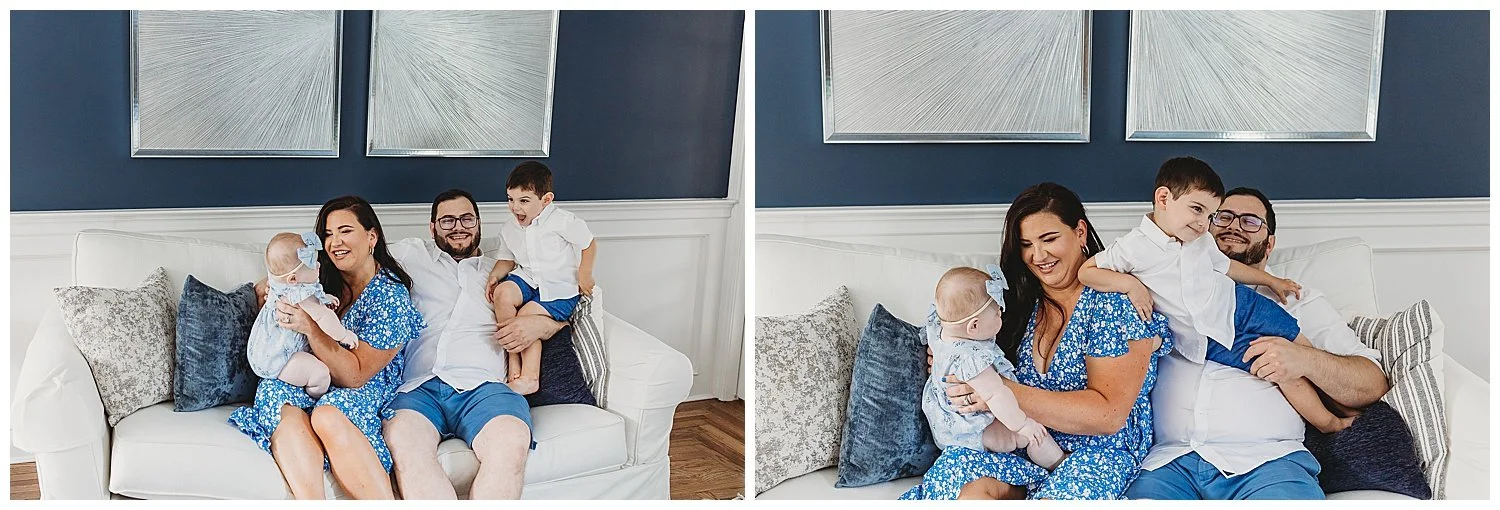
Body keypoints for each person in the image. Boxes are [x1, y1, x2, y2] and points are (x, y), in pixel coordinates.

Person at [906, 182, 1174, 500]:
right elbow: (958, 337)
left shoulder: (1114, 302)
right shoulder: (1016, 304)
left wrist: (998, 391)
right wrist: (954, 366)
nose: (1038, 255)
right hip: (1022, 440)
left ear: (1080, 233)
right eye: (1027, 244)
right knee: (967, 493)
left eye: (1049, 239)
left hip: (1096, 452)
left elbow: (1108, 415)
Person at [1123, 186, 1390, 500]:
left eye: (1250, 221)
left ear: (1270, 243)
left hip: (1267, 463)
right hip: (1167, 464)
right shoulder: (1160, 290)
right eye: (1222, 217)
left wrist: (1302, 358)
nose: (1234, 226)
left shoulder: (1298, 302)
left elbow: (1371, 385)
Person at [1077, 157, 1354, 434]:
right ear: (1163, 198)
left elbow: (1229, 267)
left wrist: (1272, 281)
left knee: (1300, 347)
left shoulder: (1201, 240)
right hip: (1206, 337)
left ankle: (1339, 400)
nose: (1202, 223)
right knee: (1276, 369)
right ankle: (1328, 423)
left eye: (1209, 216)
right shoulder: (1132, 247)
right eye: (1197, 209)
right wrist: (1130, 285)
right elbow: (1086, 272)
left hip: (1240, 305)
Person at [231, 196, 426, 499]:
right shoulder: (324, 279)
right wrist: (269, 285)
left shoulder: (390, 296)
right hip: (316, 376)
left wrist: (310, 327)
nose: (335, 242)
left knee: (328, 413)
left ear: (371, 236)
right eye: (328, 234)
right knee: (274, 392)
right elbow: (287, 274)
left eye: (345, 231)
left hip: (363, 385)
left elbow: (356, 376)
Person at [381, 188, 568, 499]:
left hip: (485, 388)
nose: (459, 227)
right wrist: (278, 281)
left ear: (479, 224)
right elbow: (349, 256)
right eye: (447, 220)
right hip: (418, 387)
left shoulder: (507, 272)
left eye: (467, 218)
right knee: (404, 445)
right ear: (432, 228)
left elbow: (562, 307)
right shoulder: (409, 256)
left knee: (511, 443)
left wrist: (538, 324)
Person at [921, 265, 1066, 472]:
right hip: (975, 429)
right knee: (1032, 436)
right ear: (974, 326)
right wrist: (1023, 424)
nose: (1002, 317)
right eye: (998, 314)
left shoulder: (939, 329)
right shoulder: (973, 359)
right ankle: (1058, 464)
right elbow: (996, 395)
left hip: (947, 426)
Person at [484, 161, 598, 395]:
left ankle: (529, 377)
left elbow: (589, 243)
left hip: (559, 289)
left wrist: (584, 273)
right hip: (528, 279)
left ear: (546, 200)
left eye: (524, 201)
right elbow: (506, 259)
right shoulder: (509, 227)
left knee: (526, 317)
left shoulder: (562, 221)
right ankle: (512, 363)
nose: (515, 207)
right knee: (502, 293)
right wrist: (495, 276)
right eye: (510, 199)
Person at [247, 232, 359, 400]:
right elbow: (324, 317)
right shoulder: (300, 294)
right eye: (313, 263)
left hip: (263, 350)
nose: (319, 265)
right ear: (293, 279)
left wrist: (323, 297)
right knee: (321, 375)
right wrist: (343, 335)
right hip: (281, 358)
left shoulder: (278, 281)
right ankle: (311, 397)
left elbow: (311, 296)